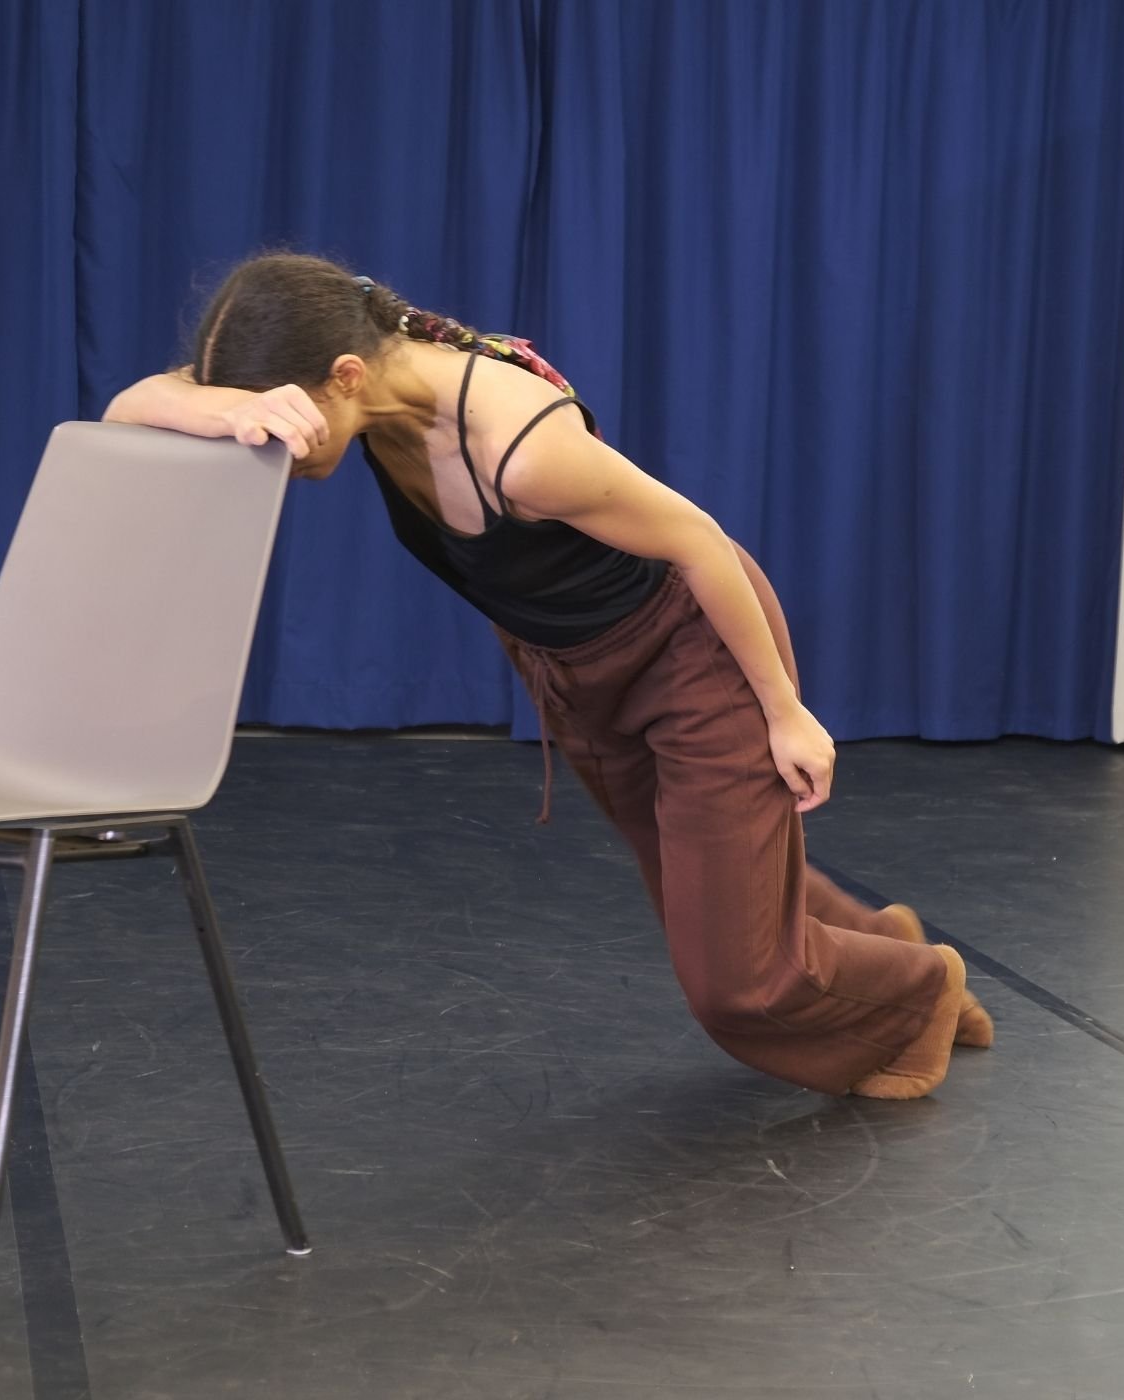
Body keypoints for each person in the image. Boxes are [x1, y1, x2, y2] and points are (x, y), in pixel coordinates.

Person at [104, 253, 992, 1098]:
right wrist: (219, 413)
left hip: (695, 659)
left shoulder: (519, 446)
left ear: (344, 375)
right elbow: (130, 407)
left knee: (739, 988)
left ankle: (918, 988)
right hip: (576, 674)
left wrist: (785, 712)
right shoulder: (366, 391)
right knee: (704, 893)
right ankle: (874, 940)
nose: (275, 449)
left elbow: (699, 544)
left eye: (284, 426)